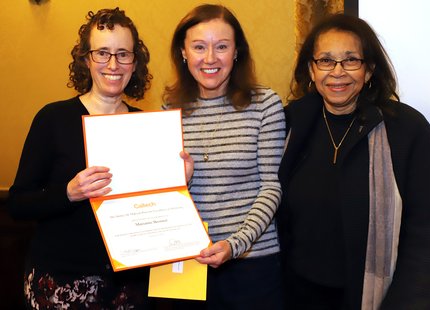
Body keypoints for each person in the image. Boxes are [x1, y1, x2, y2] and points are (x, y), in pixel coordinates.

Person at [6, 8, 171, 309]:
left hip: (129, 287)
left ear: (135, 63)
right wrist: (69, 193)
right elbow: (18, 203)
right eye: (102, 53)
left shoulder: (146, 126)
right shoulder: (53, 119)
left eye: (123, 54)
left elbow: (156, 207)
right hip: (62, 285)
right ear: (86, 59)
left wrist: (175, 178)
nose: (113, 64)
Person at [277, 13, 430, 309]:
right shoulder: (290, 122)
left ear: (368, 71)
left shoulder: (407, 130)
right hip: (294, 295)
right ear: (311, 70)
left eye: (351, 60)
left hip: (371, 299)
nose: (337, 72)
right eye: (325, 60)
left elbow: (424, 236)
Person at [163, 4, 286, 309]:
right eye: (199, 47)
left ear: (236, 52)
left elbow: (272, 186)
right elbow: (162, 196)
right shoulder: (169, 112)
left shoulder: (266, 105)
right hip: (187, 263)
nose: (209, 58)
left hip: (252, 264)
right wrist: (179, 182)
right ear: (183, 52)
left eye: (221, 47)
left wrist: (235, 245)